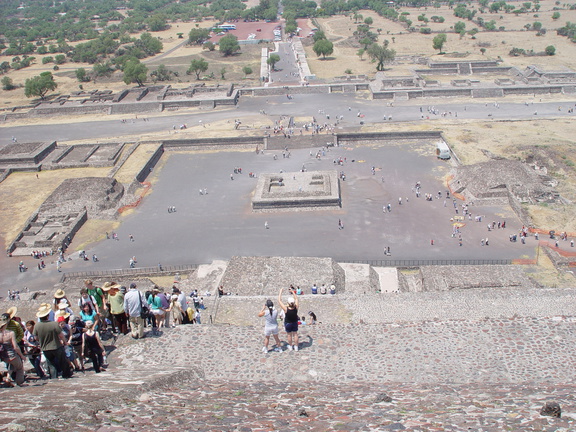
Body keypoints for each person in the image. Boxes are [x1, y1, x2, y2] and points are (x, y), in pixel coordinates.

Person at [33, 304, 73, 379]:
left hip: (45, 348)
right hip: (56, 346)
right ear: (47, 316)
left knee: (51, 364)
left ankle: (54, 377)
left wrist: (42, 341)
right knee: (63, 361)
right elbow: (61, 335)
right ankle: (66, 375)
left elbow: (35, 338)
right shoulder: (54, 324)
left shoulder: (37, 326)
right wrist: (64, 342)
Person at [0, 314, 27, 386]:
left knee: (12, 365)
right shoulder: (10, 333)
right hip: (11, 354)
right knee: (20, 367)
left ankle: (8, 379)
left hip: (3, 356)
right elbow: (15, 347)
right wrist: (22, 356)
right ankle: (20, 382)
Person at [277, 287, 300, 351]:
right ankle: (296, 347)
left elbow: (279, 301)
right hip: (295, 322)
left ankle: (290, 346)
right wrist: (292, 292)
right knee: (295, 334)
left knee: (289, 335)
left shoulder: (286, 309)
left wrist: (280, 292)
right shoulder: (296, 307)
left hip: (288, 323)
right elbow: (296, 299)